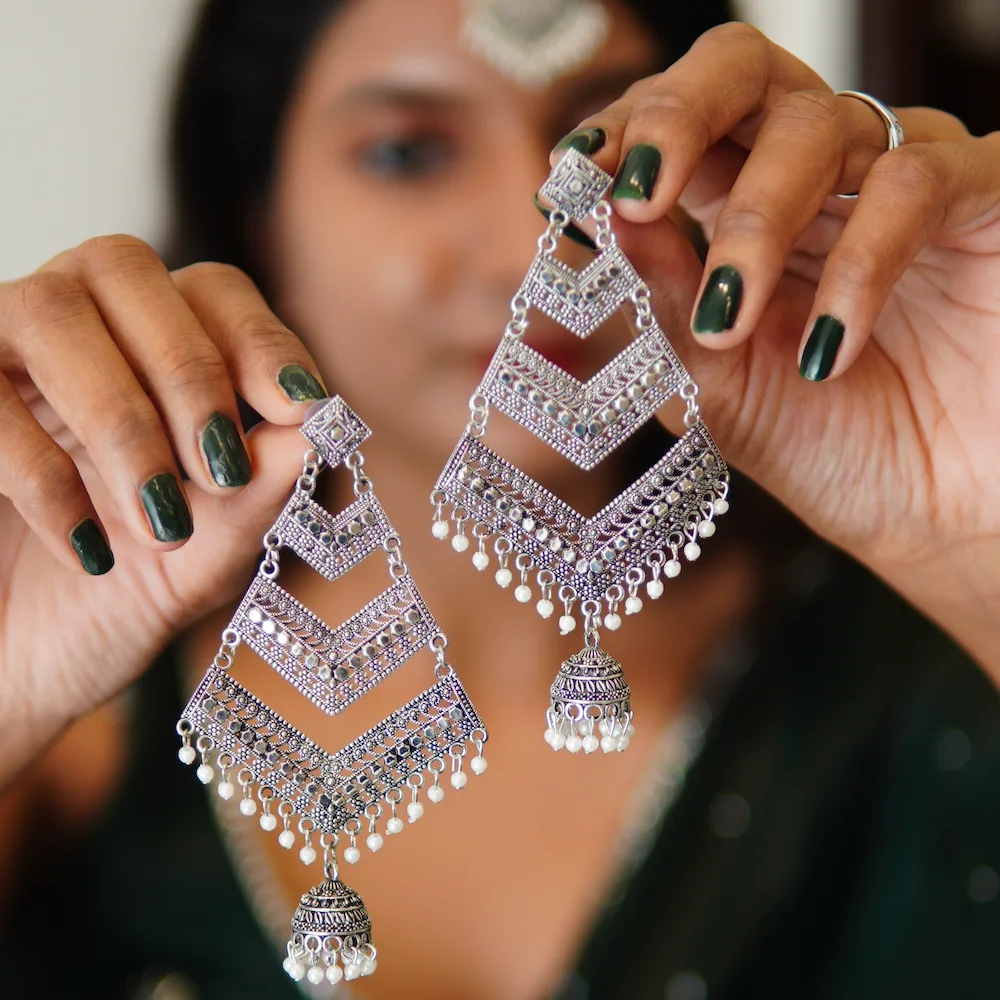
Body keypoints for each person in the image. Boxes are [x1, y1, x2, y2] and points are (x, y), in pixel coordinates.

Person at [2, 0, 1000, 997]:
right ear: (262, 216)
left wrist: (973, 535)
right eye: (408, 154)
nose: (533, 242)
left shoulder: (926, 673)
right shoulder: (70, 752)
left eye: (603, 150)